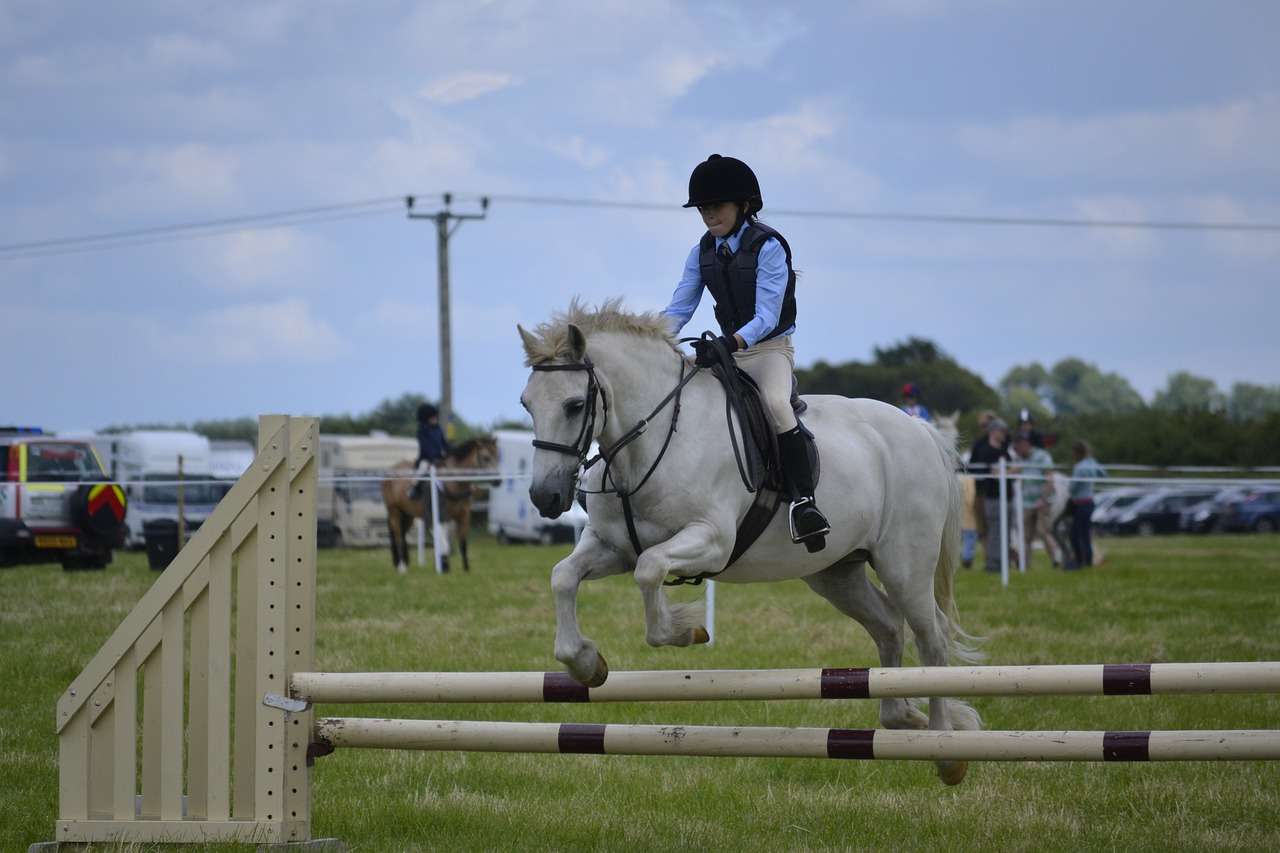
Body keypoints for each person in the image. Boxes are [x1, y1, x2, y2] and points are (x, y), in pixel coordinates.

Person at [662, 154, 829, 551]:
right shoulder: (700, 253)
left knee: (775, 404)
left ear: (743, 205)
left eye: (716, 206)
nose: (708, 215)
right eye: (703, 208)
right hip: (729, 352)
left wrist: (730, 342)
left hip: (769, 350)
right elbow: (679, 309)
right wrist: (652, 339)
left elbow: (767, 316)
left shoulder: (769, 247)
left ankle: (805, 503)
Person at [967, 418, 1010, 573]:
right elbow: (973, 467)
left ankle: (997, 560)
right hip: (984, 492)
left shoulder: (1004, 445)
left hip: (997, 493)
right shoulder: (980, 445)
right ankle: (991, 560)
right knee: (986, 529)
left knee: (995, 528)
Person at [1012, 433, 1059, 567]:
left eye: (1018, 447)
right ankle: (1025, 565)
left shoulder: (1042, 456)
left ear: (1025, 444)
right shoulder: (1020, 459)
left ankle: (1057, 559)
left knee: (1043, 531)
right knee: (1026, 536)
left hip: (1042, 502)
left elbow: (1050, 479)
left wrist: (1043, 499)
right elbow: (1012, 472)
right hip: (1026, 503)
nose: (1017, 451)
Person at [1066, 439, 1106, 569]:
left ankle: (1082, 562)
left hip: (1080, 503)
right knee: (1083, 534)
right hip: (1089, 502)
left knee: (1076, 535)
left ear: (1077, 453)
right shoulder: (1092, 463)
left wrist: (1069, 487)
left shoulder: (1079, 467)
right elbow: (1103, 474)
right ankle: (1085, 561)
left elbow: (1073, 488)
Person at [410, 403, 448, 501]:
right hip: (427, 459)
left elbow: (444, 443)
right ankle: (414, 489)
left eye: (435, 417)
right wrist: (434, 458)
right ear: (426, 418)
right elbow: (425, 447)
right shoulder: (421, 431)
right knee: (422, 469)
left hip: (440, 458)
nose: (435, 419)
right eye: (433, 417)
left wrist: (449, 452)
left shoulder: (438, 429)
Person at [959, 473, 979, 569]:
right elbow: (970, 498)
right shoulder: (969, 479)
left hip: (960, 516)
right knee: (969, 539)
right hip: (969, 517)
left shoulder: (957, 478)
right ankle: (967, 560)